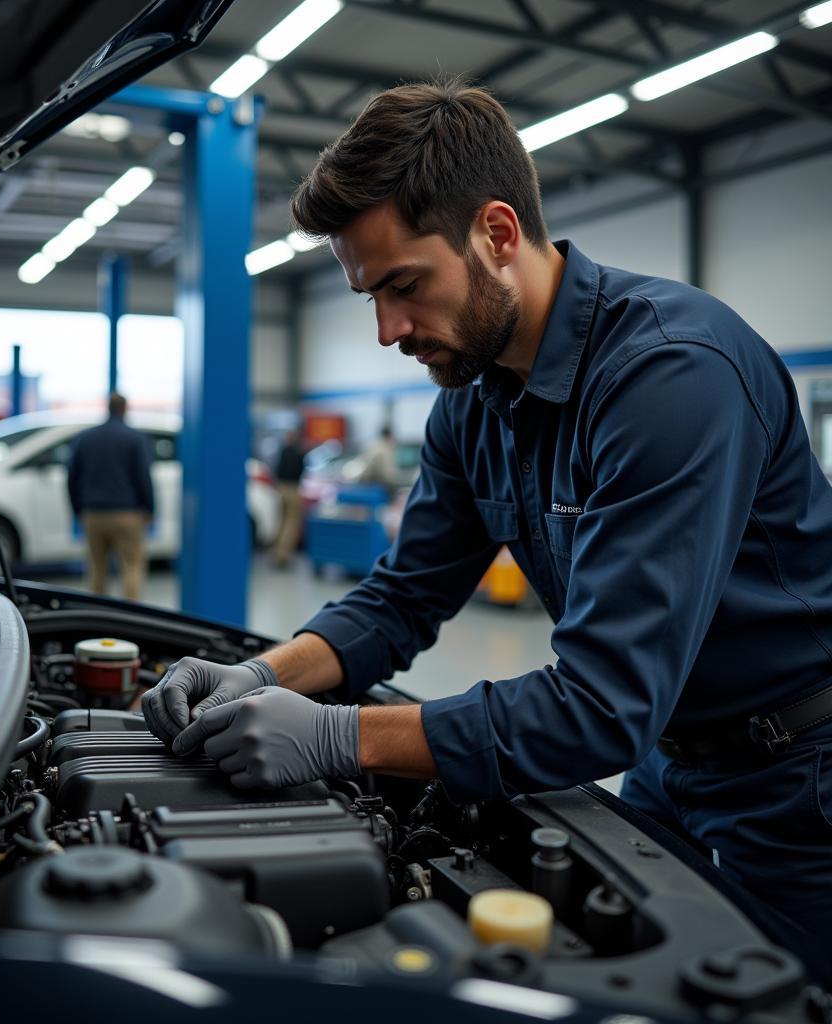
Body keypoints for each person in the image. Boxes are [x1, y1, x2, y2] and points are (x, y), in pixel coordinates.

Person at [144, 81, 832, 958]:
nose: (390, 329)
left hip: (799, 778)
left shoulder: (670, 377)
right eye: (371, 298)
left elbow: (595, 706)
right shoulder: (473, 402)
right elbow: (402, 598)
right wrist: (263, 675)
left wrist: (337, 736)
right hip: (668, 755)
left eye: (405, 285)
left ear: (497, 235)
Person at [67, 392, 154, 601]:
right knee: (132, 566)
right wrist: (149, 508)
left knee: (96, 568)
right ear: (125, 409)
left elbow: (72, 477)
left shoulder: (85, 438)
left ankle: (99, 616)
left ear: (107, 408)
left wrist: (77, 509)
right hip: (127, 514)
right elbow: (143, 477)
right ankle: (129, 616)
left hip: (93, 514)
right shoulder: (135, 439)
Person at [271, 428, 307, 567]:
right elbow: (301, 472)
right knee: (291, 523)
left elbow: (277, 469)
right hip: (292, 488)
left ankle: (275, 552)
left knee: (280, 521)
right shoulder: (299, 453)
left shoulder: (283, 451)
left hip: (280, 487)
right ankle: (283, 555)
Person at [355, 425, 397, 489]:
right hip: (375, 483)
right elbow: (387, 474)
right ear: (389, 436)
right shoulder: (384, 449)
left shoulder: (373, 445)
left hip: (363, 481)